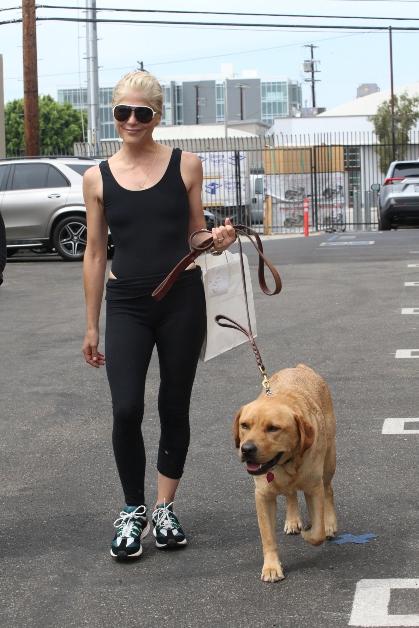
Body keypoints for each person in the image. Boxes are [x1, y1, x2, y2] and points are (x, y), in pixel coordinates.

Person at [82, 70, 236, 560]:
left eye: (141, 113)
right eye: (122, 112)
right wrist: (90, 323)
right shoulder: (96, 177)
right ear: (114, 114)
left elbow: (193, 234)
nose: (131, 120)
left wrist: (212, 240)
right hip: (125, 302)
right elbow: (93, 253)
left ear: (157, 117)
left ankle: (165, 506)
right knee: (126, 408)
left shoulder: (186, 166)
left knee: (174, 403)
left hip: (180, 299)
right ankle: (133, 509)